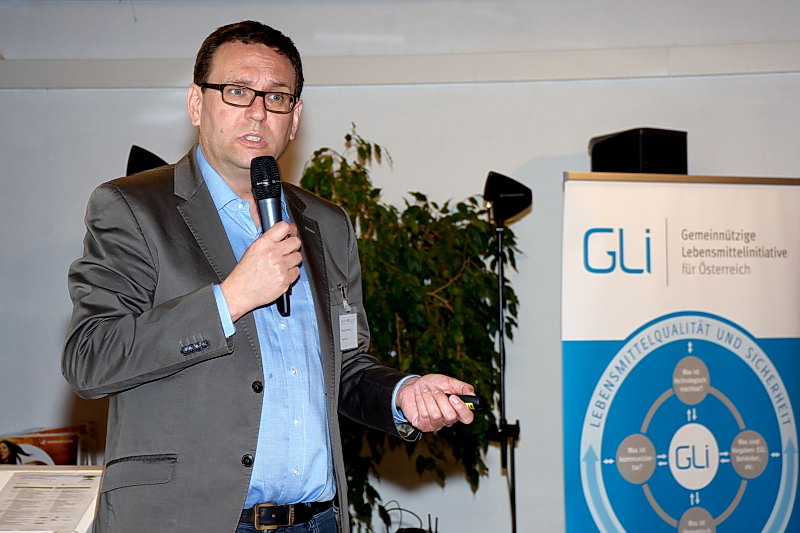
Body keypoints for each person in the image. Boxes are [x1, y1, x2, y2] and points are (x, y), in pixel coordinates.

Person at [62, 20, 475, 533]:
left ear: (295, 118)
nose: (258, 111)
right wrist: (230, 298)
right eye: (237, 91)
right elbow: (91, 359)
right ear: (196, 103)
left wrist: (402, 394)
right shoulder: (133, 207)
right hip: (186, 520)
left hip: (315, 520)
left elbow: (346, 367)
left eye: (277, 97)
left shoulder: (327, 223)